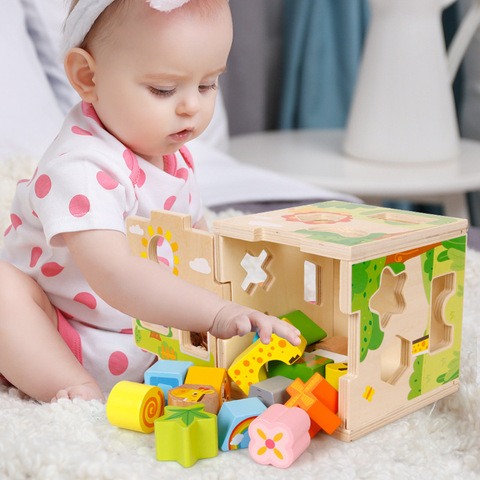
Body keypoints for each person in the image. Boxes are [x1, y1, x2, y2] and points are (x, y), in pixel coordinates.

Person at [0, 0, 301, 403]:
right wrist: (216, 313)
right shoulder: (79, 168)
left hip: (151, 332)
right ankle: (73, 392)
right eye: (164, 89)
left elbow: (194, 246)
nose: (191, 106)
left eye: (208, 84)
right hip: (60, 331)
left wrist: (239, 301)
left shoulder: (172, 155)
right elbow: (114, 273)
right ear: (88, 77)